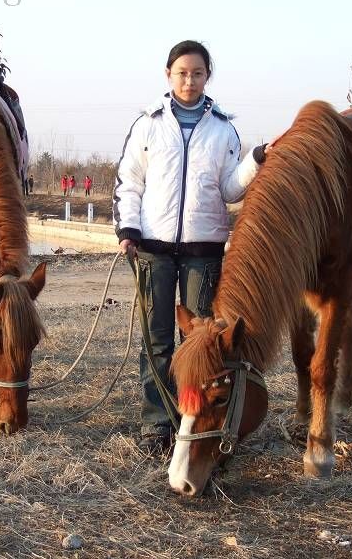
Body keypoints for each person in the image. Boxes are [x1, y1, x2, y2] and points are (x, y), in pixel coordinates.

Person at [113, 40, 269, 455]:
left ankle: (191, 420)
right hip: (153, 248)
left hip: (204, 249)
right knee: (158, 340)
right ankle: (156, 423)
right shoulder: (148, 125)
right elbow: (130, 181)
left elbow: (230, 188)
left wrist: (254, 160)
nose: (189, 79)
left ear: (207, 77)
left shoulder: (222, 129)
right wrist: (128, 228)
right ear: (168, 75)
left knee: (199, 342)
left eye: (197, 73)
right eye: (182, 72)